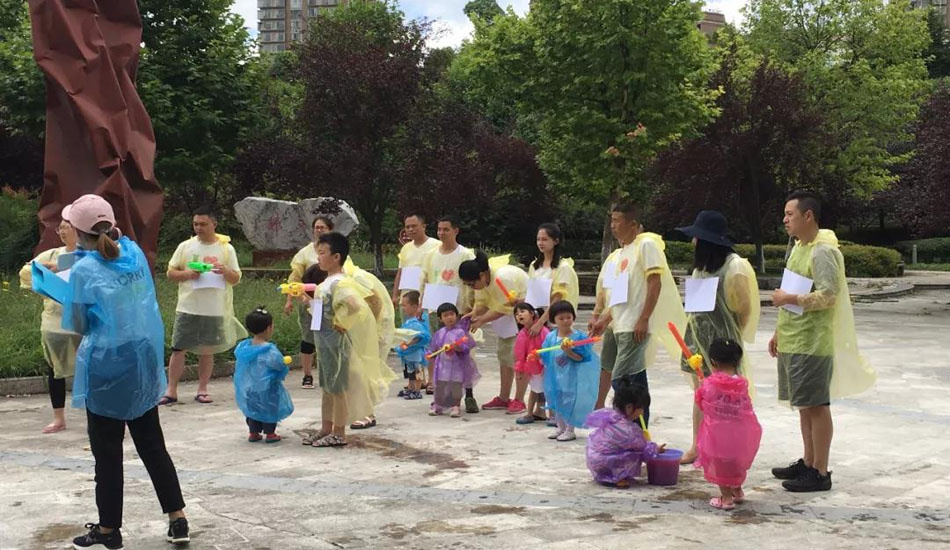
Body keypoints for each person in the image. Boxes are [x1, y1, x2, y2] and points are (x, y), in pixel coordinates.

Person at [59, 194, 189, 548]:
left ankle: (108, 530)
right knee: (152, 445)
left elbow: (79, 324)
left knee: (107, 453)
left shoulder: (83, 270)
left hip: (107, 363)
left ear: (79, 232)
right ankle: (177, 518)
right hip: (142, 359)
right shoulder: (133, 253)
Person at [768, 192, 876, 492]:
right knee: (804, 405)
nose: (785, 220)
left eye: (790, 214)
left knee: (816, 405)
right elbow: (791, 294)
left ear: (808, 216)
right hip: (793, 337)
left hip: (813, 342)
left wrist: (789, 298)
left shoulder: (823, 251)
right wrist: (779, 332)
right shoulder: (799, 248)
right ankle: (808, 461)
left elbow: (829, 296)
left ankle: (820, 471)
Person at [676, 211, 760, 464]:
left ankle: (726, 449)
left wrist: (730, 339)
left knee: (726, 398)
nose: (693, 243)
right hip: (697, 341)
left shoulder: (734, 267)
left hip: (722, 344)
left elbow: (744, 310)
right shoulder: (701, 269)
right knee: (702, 394)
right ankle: (698, 446)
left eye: (697, 238)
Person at [590, 202, 685, 427]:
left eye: (617, 221)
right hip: (618, 325)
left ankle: (636, 430)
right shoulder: (620, 254)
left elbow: (654, 283)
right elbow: (619, 294)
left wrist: (644, 318)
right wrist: (604, 319)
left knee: (623, 381)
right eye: (611, 221)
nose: (613, 225)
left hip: (634, 325)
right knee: (629, 379)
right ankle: (632, 430)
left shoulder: (646, 245)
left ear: (632, 224)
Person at [301, 232, 397, 447]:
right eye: (318, 253)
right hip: (325, 345)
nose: (318, 258)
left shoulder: (340, 284)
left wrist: (342, 323)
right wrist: (308, 303)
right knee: (328, 388)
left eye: (322, 253)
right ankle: (326, 428)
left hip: (337, 345)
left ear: (336, 257)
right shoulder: (325, 284)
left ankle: (339, 432)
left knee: (338, 389)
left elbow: (354, 306)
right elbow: (322, 313)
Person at [160, 206, 246, 405]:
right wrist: (188, 274)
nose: (198, 228)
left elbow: (236, 278)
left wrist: (225, 271)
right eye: (195, 224)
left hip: (215, 307)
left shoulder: (226, 248)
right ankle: (171, 390)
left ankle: (203, 389)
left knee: (207, 350)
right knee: (178, 348)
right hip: (188, 306)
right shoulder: (186, 246)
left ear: (214, 224)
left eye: (203, 224)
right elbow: (171, 273)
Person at [18, 218, 82, 434]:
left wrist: (65, 267)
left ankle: (102, 415)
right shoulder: (52, 254)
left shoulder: (88, 254)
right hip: (55, 321)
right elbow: (26, 271)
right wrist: (45, 271)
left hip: (82, 319)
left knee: (92, 368)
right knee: (55, 369)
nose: (62, 231)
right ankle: (58, 418)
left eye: (67, 227)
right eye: (60, 228)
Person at [695, 339, 762, 510]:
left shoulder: (710, 383)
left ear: (713, 362)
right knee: (735, 462)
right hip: (740, 433)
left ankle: (726, 498)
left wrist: (701, 387)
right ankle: (737, 491)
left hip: (718, 435)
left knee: (721, 465)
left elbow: (702, 403)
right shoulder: (741, 383)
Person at [459, 250, 529, 412]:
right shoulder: (483, 281)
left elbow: (504, 307)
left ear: (482, 275)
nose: (471, 287)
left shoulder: (502, 278)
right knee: (504, 356)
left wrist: (482, 320)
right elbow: (482, 303)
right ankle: (504, 397)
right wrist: (474, 313)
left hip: (522, 315)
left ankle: (519, 399)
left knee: (518, 358)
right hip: (506, 320)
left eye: (471, 284)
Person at [421, 215, 476, 395]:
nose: (441, 233)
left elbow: (472, 282)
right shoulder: (431, 255)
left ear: (455, 231)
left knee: (460, 350)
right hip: (435, 308)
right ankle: (436, 384)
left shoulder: (466, 254)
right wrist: (421, 302)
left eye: (446, 229)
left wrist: (471, 307)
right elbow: (425, 279)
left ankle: (466, 391)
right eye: (439, 229)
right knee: (437, 347)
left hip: (459, 310)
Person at [343, 256, 395, 429]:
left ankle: (367, 413)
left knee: (366, 370)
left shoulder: (356, 277)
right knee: (355, 371)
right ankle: (358, 410)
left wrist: (371, 329)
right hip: (357, 330)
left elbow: (376, 302)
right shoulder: (340, 278)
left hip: (374, 328)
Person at [284, 215, 335, 389]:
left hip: (330, 302)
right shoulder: (305, 253)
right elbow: (294, 279)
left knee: (329, 338)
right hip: (308, 302)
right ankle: (307, 375)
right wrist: (290, 300)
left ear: (330, 230)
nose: (319, 230)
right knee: (308, 338)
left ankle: (329, 373)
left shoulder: (337, 251)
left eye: (323, 227)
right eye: (316, 227)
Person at [584, 382, 664, 487]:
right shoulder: (628, 430)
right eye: (641, 408)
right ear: (629, 408)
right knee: (635, 455)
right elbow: (643, 448)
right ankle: (616, 478)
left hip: (594, 458)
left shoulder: (613, 417)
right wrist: (656, 449)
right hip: (604, 462)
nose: (642, 412)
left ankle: (608, 475)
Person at [541, 301, 601, 442]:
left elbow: (582, 358)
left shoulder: (579, 337)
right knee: (556, 400)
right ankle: (560, 427)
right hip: (554, 376)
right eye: (561, 318)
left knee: (570, 401)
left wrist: (568, 352)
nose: (565, 321)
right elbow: (546, 356)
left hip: (571, 378)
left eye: (568, 317)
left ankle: (570, 429)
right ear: (554, 320)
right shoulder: (551, 337)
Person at [234, 306, 294, 443]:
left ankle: (253, 432)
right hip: (268, 387)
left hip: (250, 387)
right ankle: (270, 433)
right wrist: (284, 365)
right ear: (269, 328)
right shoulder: (269, 350)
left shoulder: (243, 347)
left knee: (253, 409)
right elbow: (278, 365)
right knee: (270, 408)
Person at [428, 302, 481, 417]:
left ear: (456, 315)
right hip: (442, 365)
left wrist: (458, 347)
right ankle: (438, 404)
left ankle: (456, 406)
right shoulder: (439, 333)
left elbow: (466, 347)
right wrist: (429, 354)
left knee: (456, 386)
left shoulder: (460, 332)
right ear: (440, 318)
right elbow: (433, 348)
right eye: (445, 315)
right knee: (440, 385)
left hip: (457, 365)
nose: (449, 317)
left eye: (452, 314)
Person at [589, 246, 623, 411]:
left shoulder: (639, 253)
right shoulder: (614, 257)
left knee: (626, 368)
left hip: (628, 322)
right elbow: (604, 289)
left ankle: (622, 407)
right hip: (611, 324)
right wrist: (596, 315)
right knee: (607, 363)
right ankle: (599, 404)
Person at [391, 213, 440, 309]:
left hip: (428, 299)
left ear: (423, 226)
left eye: (414, 226)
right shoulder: (405, 248)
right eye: (407, 227)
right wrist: (395, 295)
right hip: (407, 300)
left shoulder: (437, 246)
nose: (410, 229)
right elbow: (400, 273)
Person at [513, 303, 549, 424]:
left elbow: (548, 350)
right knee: (534, 390)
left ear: (532, 313)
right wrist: (519, 370)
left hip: (544, 368)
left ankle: (551, 415)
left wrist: (546, 366)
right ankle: (530, 413)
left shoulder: (543, 331)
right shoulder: (522, 334)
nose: (519, 315)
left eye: (522, 311)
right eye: (516, 314)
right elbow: (519, 354)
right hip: (532, 369)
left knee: (548, 392)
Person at [395, 290, 430, 400]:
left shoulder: (416, 323)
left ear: (414, 306)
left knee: (417, 371)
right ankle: (411, 387)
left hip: (416, 354)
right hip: (409, 354)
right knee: (410, 371)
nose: (403, 308)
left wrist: (409, 344)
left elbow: (418, 336)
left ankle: (417, 390)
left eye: (405, 305)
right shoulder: (408, 322)